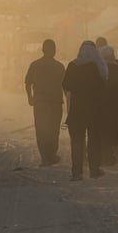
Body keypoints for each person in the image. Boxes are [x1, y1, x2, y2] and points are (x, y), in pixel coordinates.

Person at [62, 41, 107, 181]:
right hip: (93, 110)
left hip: (76, 109)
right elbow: (102, 86)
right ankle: (94, 170)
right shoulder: (95, 67)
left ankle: (77, 172)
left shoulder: (72, 65)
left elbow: (66, 85)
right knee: (94, 140)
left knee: (76, 141)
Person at [24, 39, 65, 167]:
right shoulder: (59, 66)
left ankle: (45, 157)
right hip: (55, 103)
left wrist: (30, 97)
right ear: (54, 51)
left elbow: (28, 83)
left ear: (42, 50)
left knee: (41, 129)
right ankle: (51, 155)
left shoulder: (35, 65)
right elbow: (65, 86)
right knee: (54, 130)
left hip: (40, 103)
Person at [100, 44, 118, 166]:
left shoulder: (100, 69)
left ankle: (106, 155)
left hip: (103, 105)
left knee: (104, 129)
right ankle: (115, 155)